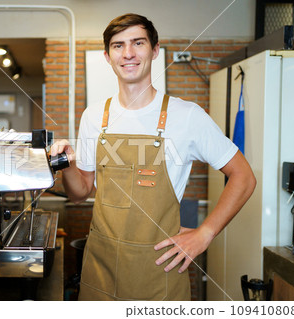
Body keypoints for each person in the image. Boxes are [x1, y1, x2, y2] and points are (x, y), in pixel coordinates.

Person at [50, 13, 256, 301]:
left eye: (138, 43)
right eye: (118, 46)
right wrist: (69, 166)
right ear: (108, 57)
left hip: (160, 269)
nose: (129, 53)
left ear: (155, 50)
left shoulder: (187, 116)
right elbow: (80, 194)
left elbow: (244, 176)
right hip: (101, 267)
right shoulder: (94, 116)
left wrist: (205, 234)